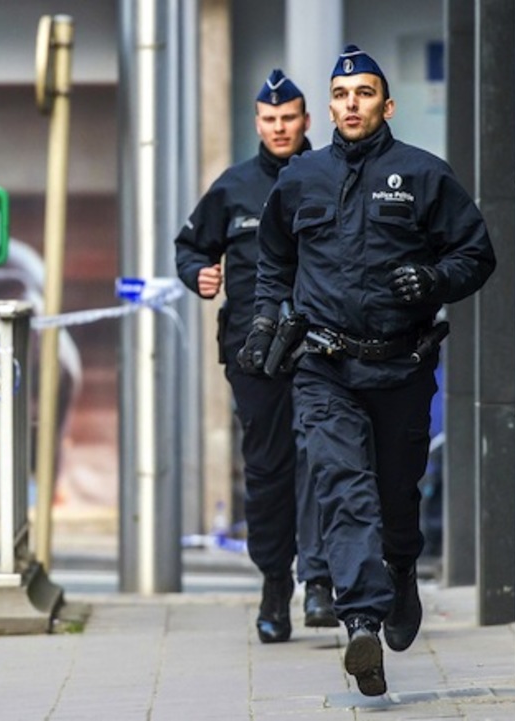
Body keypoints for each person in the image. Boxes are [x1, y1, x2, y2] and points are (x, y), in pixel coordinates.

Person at [241, 46, 495, 694]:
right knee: (341, 488)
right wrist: (269, 318)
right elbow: (273, 257)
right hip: (325, 366)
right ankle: (361, 622)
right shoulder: (301, 180)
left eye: (364, 92)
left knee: (394, 500)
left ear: (388, 104)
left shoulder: (424, 175)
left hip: (401, 368)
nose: (352, 103)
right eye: (342, 93)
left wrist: (436, 276)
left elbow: (477, 251)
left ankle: (401, 568)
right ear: (328, 107)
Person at [175, 69, 336, 644]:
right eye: (269, 120)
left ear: (306, 120)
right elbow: (190, 245)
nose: (279, 128)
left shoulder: (332, 174)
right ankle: (275, 585)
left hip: (323, 346)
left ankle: (320, 581)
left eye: (288, 117)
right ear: (257, 123)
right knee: (269, 472)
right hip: (254, 352)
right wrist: (200, 273)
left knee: (321, 455)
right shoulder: (233, 186)